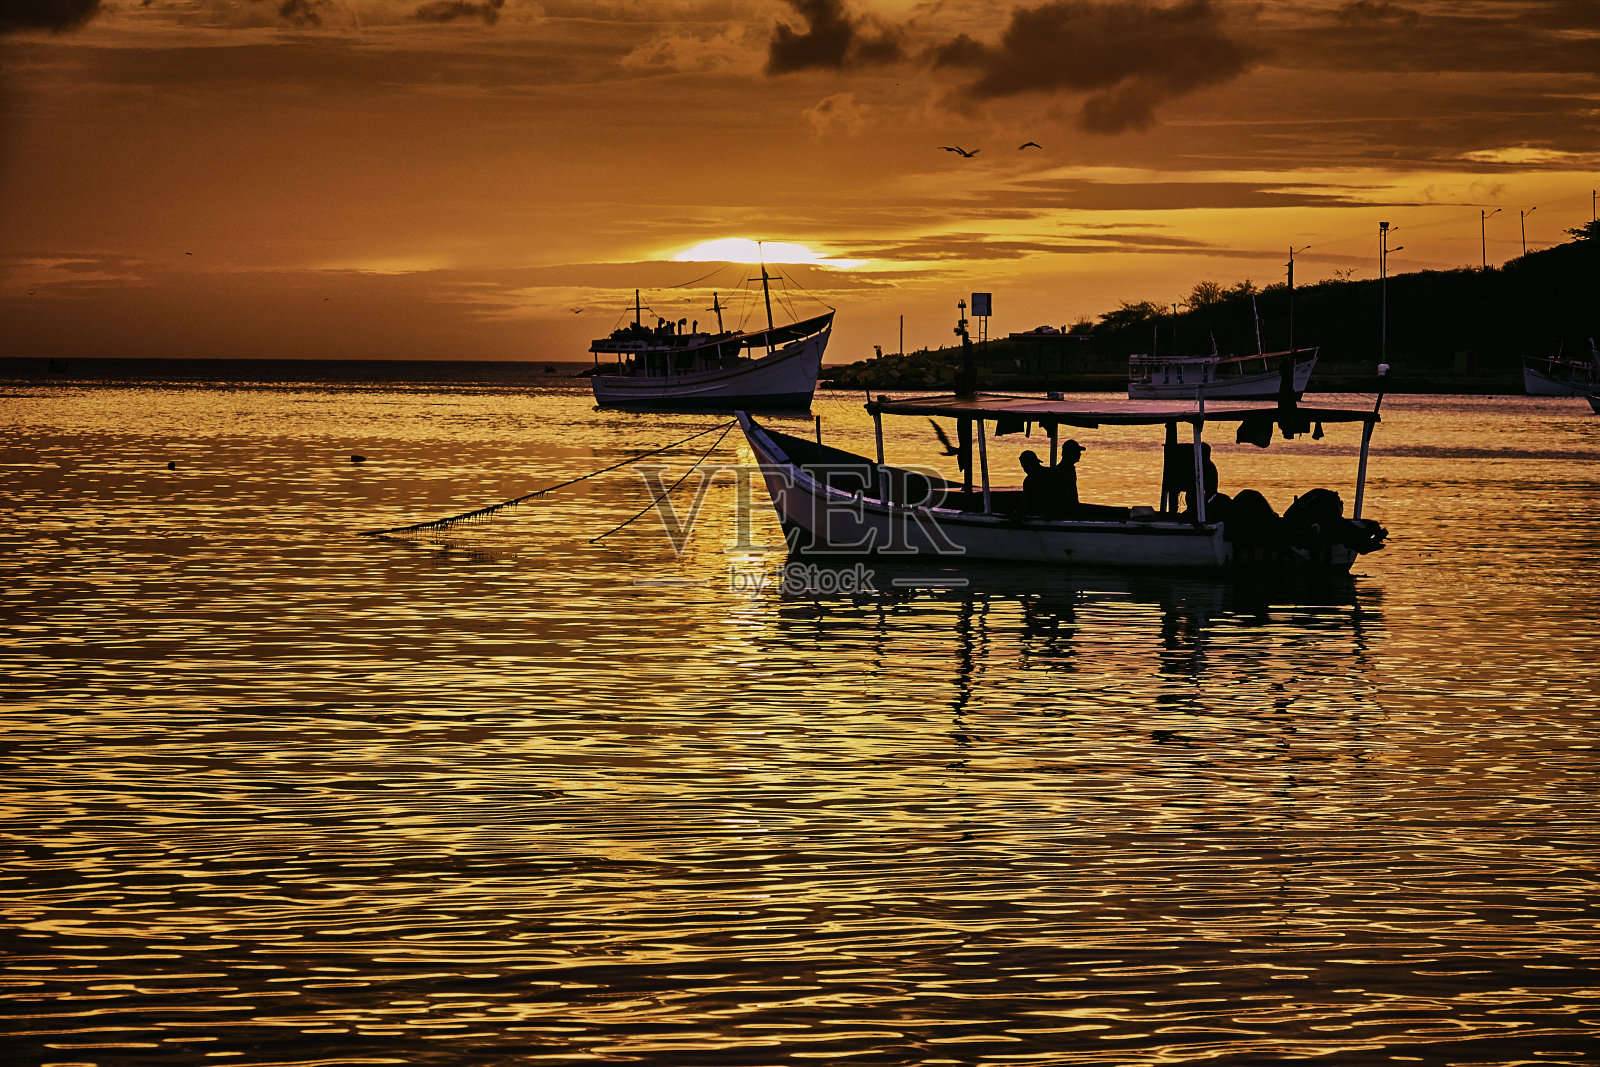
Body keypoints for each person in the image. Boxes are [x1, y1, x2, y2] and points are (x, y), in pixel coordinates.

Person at [1019, 441, 1083, 518]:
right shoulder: (1055, 472)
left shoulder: (1055, 472)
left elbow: (1063, 495)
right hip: (1064, 513)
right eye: (1077, 452)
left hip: (1064, 513)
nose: (1080, 454)